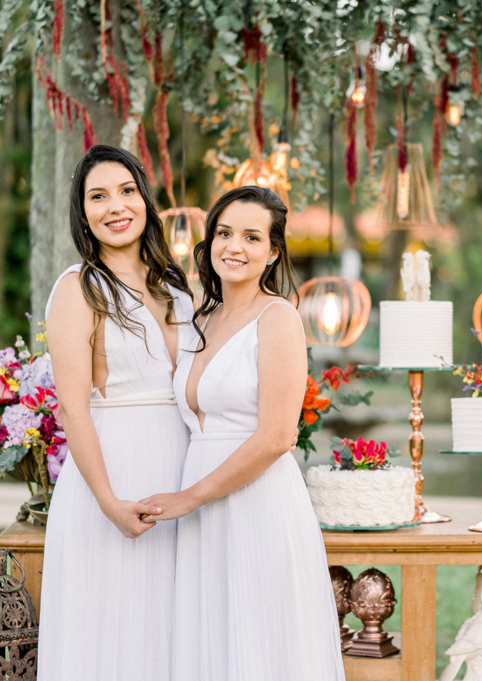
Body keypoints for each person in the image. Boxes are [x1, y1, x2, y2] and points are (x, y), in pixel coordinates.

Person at [141, 186, 345, 680]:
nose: (235, 246)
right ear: (209, 242)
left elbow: (277, 437)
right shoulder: (199, 320)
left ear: (273, 252)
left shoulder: (278, 319)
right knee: (208, 641)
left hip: (257, 503)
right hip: (200, 512)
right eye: (225, 233)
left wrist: (190, 497)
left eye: (252, 237)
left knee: (260, 643)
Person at [38, 145, 193, 680]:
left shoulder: (177, 285)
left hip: (182, 476)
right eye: (98, 196)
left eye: (126, 190)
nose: (116, 206)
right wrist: (108, 503)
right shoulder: (78, 289)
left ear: (145, 199)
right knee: (112, 632)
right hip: (113, 476)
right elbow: (72, 409)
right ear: (83, 214)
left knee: (172, 629)